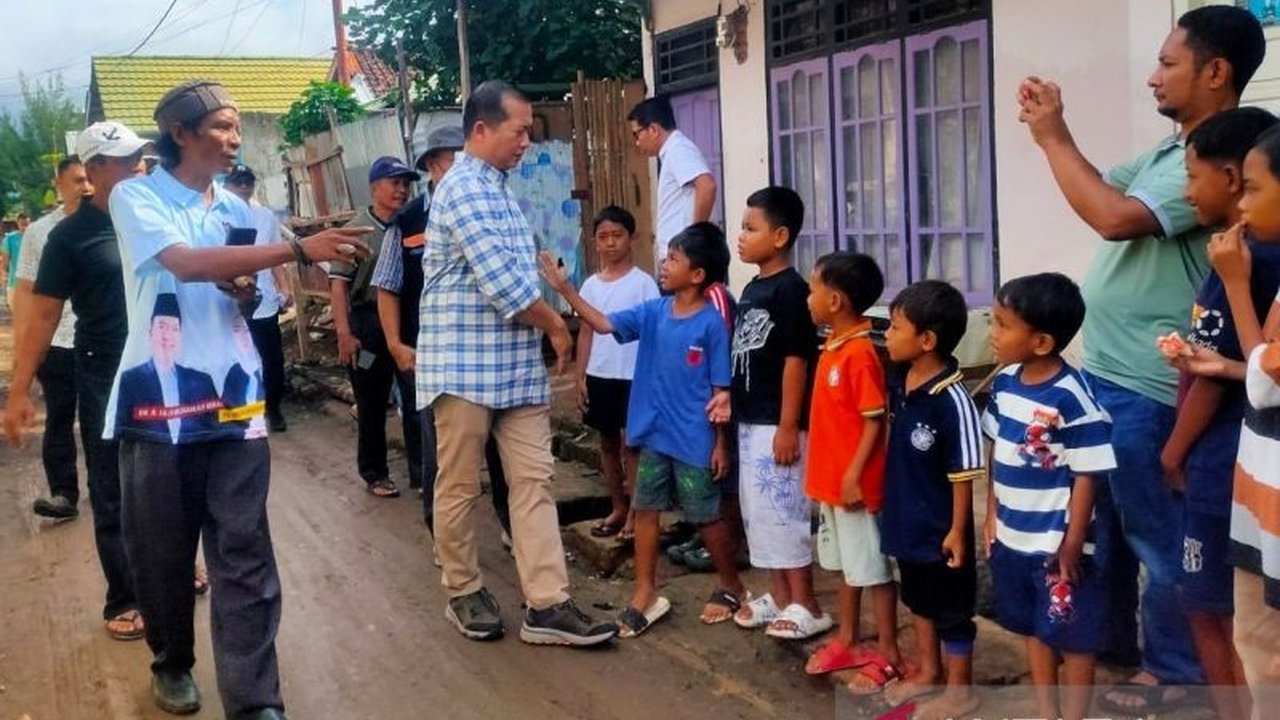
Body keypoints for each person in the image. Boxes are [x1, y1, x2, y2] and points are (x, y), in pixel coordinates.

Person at [1018, 6, 1265, 710]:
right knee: (1111, 532)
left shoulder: (1230, 160)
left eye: (1168, 63)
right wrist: (1057, 137)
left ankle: (1176, 673)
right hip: (1108, 375)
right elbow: (1100, 191)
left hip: (1151, 387)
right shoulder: (1169, 155)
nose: (1154, 77)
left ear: (1216, 72)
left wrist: (1052, 135)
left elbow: (1114, 217)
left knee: (1161, 540)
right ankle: (1122, 648)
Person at [106, 79, 370, 719]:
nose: (234, 139)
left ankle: (255, 701)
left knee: (244, 553)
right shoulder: (135, 196)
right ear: (180, 133)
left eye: (236, 127)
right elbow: (185, 263)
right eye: (222, 127)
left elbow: (242, 296)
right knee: (163, 555)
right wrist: (300, 248)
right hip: (158, 408)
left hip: (237, 402)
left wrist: (246, 292)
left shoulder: (237, 209)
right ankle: (172, 662)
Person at [419, 79, 615, 646]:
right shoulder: (463, 188)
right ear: (482, 130)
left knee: (534, 483)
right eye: (520, 131)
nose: (527, 141)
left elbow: (526, 272)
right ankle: (463, 589)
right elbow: (505, 284)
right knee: (460, 486)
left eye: (529, 131)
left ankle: (547, 604)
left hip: (514, 368)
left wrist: (551, 319)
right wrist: (556, 326)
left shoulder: (500, 190)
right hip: (464, 367)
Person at [541, 222, 742, 636]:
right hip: (653, 434)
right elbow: (602, 324)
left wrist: (721, 444)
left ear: (697, 274)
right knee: (646, 509)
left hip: (695, 439)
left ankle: (730, 584)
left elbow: (720, 392)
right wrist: (566, 290)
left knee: (706, 516)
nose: (664, 265)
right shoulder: (654, 313)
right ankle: (645, 591)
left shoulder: (711, 325)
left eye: (674, 259)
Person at [1155, 108, 1280, 720]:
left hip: (1230, 464)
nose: (1186, 191)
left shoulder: (1248, 258)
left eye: (1192, 174)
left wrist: (1173, 450)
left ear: (1231, 179)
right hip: (1247, 467)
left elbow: (1258, 375)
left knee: (1216, 610)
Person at [4, 122, 148, 643]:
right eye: (126, 159)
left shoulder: (153, 218)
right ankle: (124, 595)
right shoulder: (69, 237)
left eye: (140, 157)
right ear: (96, 169)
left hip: (159, 365)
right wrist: (20, 389)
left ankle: (172, 567)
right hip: (103, 368)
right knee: (112, 483)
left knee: (169, 477)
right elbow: (43, 315)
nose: (139, 167)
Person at [982, 273, 1117, 720]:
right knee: (1032, 627)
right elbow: (998, 451)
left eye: (1003, 325)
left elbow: (1088, 473)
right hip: (1012, 537)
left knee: (1074, 636)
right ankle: (1046, 712)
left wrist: (1074, 541)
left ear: (1041, 342)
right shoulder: (1004, 384)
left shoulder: (1073, 398)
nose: (993, 333)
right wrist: (991, 514)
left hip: (1057, 545)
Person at [372, 126, 512, 544]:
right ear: (434, 164)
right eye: (457, 158)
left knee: (501, 447)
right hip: (432, 356)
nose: (469, 166)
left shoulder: (492, 205)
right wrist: (395, 344)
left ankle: (510, 525)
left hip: (489, 349)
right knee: (442, 453)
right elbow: (388, 286)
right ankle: (444, 537)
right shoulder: (408, 222)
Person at [1193, 124, 1280, 720]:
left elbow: (1265, 380)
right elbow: (1263, 367)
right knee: (1260, 648)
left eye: (1252, 188)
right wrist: (1231, 365)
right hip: (1261, 500)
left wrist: (1235, 283)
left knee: (1269, 655)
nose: (1241, 205)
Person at [876, 280, 984, 718]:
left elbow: (965, 473)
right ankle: (928, 671)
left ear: (927, 341)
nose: (887, 334)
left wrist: (958, 530)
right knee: (917, 597)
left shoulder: (953, 400)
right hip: (906, 516)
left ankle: (960, 691)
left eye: (895, 327)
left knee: (952, 610)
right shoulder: (901, 379)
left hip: (941, 527)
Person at [725, 187, 827, 639]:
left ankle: (807, 602)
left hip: (777, 423)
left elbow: (795, 361)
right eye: (742, 228)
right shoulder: (752, 289)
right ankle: (779, 594)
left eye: (751, 228)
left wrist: (788, 425)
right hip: (750, 420)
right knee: (759, 512)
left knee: (785, 511)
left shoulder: (791, 291)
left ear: (780, 236)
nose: (741, 236)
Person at [798, 251, 901, 695]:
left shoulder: (859, 354)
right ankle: (848, 638)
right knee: (846, 567)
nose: (808, 298)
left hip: (854, 486)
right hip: (831, 483)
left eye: (812, 290)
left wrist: (855, 475)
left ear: (835, 300)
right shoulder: (833, 346)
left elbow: (874, 421)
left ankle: (890, 651)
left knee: (873, 570)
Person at [331, 155, 423, 498]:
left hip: (406, 323)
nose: (402, 190)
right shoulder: (356, 231)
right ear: (374, 188)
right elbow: (339, 285)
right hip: (368, 327)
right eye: (394, 183)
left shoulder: (411, 224)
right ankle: (375, 473)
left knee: (416, 398)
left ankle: (422, 474)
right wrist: (345, 334)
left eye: (405, 184)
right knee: (370, 401)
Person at [12, 156, 93, 519]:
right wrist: (23, 352)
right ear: (58, 185)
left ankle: (107, 488)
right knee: (60, 417)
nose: (85, 187)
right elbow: (26, 292)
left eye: (89, 179)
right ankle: (63, 494)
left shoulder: (112, 224)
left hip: (99, 341)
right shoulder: (40, 233)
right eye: (77, 180)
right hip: (57, 341)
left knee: (99, 420)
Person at [576, 205, 659, 542]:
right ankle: (618, 507)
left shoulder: (644, 284)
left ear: (631, 238)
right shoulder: (590, 286)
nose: (610, 243)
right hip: (600, 374)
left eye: (617, 236)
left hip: (633, 375)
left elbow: (653, 332)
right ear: (595, 242)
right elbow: (586, 332)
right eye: (603, 237)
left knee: (632, 445)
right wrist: (580, 376)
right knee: (607, 443)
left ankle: (638, 513)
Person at [223, 164, 292, 432]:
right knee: (238, 358)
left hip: (263, 301)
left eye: (248, 182)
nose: (243, 187)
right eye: (238, 182)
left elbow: (277, 256)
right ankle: (242, 411)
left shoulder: (265, 216)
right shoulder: (217, 216)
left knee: (272, 358)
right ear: (227, 185)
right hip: (229, 303)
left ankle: (273, 408)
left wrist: (284, 287)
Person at [628, 95, 716, 252]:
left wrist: (695, 237)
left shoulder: (678, 149)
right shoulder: (672, 151)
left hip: (685, 253)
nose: (637, 142)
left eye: (637, 134)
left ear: (653, 130)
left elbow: (707, 186)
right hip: (677, 252)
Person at [3, 214, 29, 309]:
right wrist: (2, 274)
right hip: (14, 281)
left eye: (26, 223)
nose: (24, 226)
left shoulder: (34, 238)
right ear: (17, 223)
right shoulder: (9, 238)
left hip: (31, 283)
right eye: (22, 223)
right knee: (15, 310)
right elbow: (5, 260)